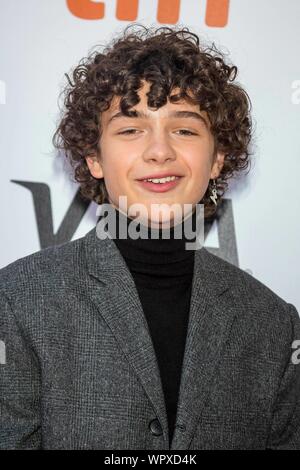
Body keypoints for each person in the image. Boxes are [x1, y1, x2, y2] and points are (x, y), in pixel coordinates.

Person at [0, 24, 299, 450]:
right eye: (130, 129)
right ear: (94, 157)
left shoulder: (274, 325)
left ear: (217, 158)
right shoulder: (17, 301)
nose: (160, 151)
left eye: (184, 129)